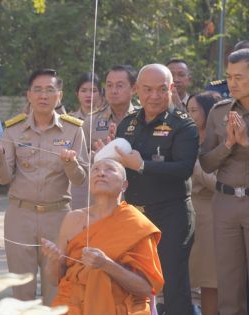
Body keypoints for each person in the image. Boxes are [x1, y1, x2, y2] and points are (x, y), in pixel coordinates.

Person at [101, 64, 198, 315]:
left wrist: (142, 165)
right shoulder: (128, 124)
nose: (154, 96)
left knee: (173, 283)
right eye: (147, 90)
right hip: (134, 214)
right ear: (136, 90)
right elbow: (122, 167)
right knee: (131, 281)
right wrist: (108, 156)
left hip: (171, 214)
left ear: (171, 89)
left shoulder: (183, 125)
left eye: (161, 89)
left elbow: (184, 168)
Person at [0, 68, 89, 304]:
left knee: (55, 286)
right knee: (21, 288)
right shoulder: (14, 129)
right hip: (20, 216)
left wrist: (71, 163)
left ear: (60, 96)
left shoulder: (74, 129)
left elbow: (80, 179)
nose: (43, 95)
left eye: (49, 90)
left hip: (57, 217)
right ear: (29, 95)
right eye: (38, 90)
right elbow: (4, 178)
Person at [42, 159, 164, 314]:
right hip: (75, 308)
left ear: (124, 185)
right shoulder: (73, 219)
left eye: (109, 169)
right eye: (95, 169)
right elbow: (54, 280)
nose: (101, 173)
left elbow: (147, 289)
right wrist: (54, 261)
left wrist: (106, 264)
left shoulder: (135, 224)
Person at [199, 48, 249, 315]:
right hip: (225, 203)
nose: (233, 83)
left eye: (239, 77)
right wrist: (229, 144)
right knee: (228, 284)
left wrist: (246, 143)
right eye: (229, 76)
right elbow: (206, 162)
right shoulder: (219, 112)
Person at [186, 91, 221, 315]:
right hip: (184, 212)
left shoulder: (220, 141)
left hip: (210, 215)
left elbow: (218, 183)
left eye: (193, 110)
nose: (188, 115)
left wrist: (195, 164)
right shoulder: (185, 137)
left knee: (210, 280)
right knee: (180, 278)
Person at [82, 65, 138, 151]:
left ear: (134, 89)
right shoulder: (91, 121)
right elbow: (82, 158)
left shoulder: (143, 118)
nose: (113, 91)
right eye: (109, 85)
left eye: (119, 86)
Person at [70, 72, 103, 210]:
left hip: (102, 177)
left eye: (93, 90)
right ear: (77, 93)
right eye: (83, 90)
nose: (88, 95)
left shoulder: (108, 119)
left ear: (101, 94)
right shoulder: (68, 120)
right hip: (78, 182)